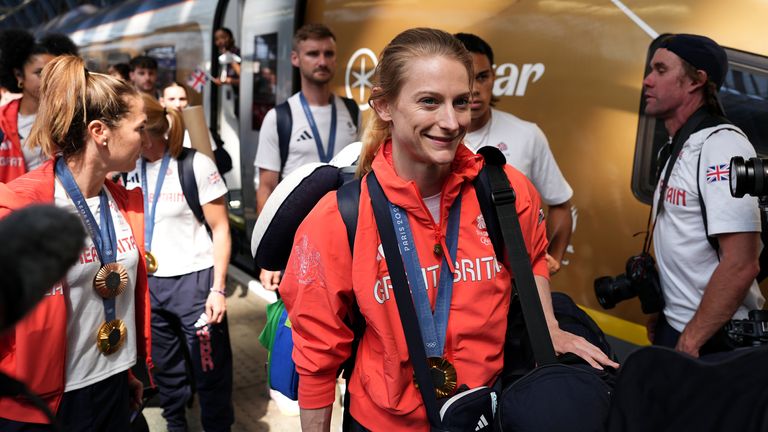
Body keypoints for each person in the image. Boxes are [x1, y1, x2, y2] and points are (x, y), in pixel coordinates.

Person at [279, 27, 618, 431]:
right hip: (383, 422)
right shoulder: (340, 219)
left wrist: (548, 328)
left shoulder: (505, 191)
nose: (451, 121)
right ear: (384, 106)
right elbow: (318, 359)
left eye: (461, 102)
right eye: (429, 102)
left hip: (486, 414)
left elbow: (531, 258)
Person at [0, 55, 152, 430]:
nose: (146, 141)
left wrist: (124, 369)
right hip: (47, 406)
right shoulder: (22, 206)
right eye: (139, 129)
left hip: (114, 387)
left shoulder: (121, 200)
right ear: (100, 131)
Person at [643, 34, 764, 357]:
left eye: (660, 70)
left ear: (696, 81)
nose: (647, 81)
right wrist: (663, 310)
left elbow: (741, 263)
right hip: (677, 323)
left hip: (711, 336)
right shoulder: (677, 146)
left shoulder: (722, 146)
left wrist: (691, 340)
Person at [124, 93, 234, 431]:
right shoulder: (129, 169)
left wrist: (218, 288)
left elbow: (221, 229)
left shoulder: (195, 164)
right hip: (152, 284)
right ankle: (176, 426)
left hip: (195, 284)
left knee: (210, 370)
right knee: (166, 371)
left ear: (146, 131)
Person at [454, 33, 574, 275]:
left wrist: (550, 258)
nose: (475, 89)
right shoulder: (435, 139)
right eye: (466, 78)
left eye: (482, 77)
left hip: (514, 284)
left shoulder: (527, 134)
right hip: (455, 278)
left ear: (494, 77)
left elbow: (561, 204)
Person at [254, 23, 359, 292]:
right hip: (297, 239)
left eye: (328, 54)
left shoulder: (351, 111)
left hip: (346, 236)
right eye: (313, 53)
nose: (322, 61)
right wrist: (269, 257)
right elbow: (266, 187)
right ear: (295, 59)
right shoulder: (280, 118)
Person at [0, 29, 78, 182]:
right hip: (17, 202)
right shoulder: (2, 122)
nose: (49, 80)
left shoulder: (70, 113)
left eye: (53, 72)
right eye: (40, 73)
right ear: (19, 75)